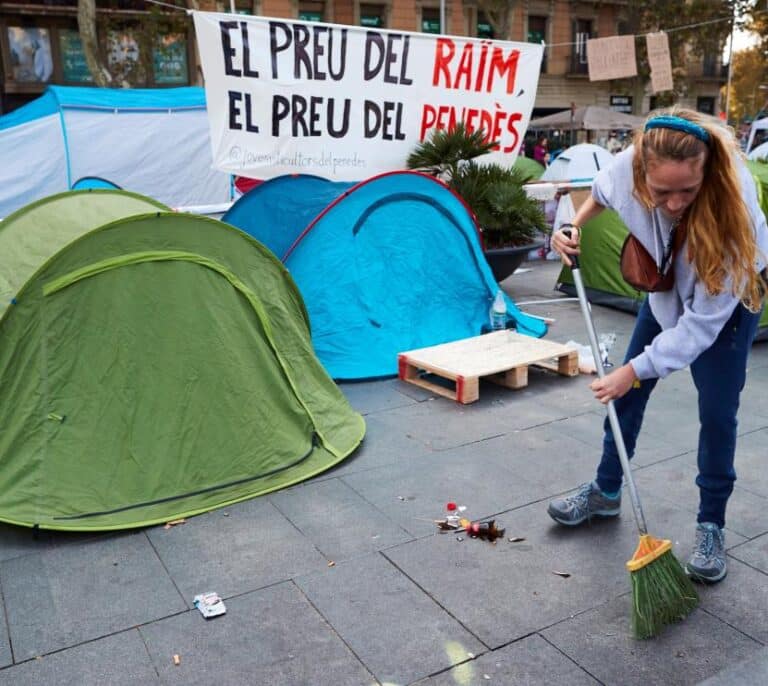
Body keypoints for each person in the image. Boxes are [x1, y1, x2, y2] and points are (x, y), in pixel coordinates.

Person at [547, 107, 768, 584]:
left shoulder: (736, 216)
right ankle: (606, 491)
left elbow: (698, 330)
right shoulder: (628, 167)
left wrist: (634, 369)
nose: (673, 204)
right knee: (628, 392)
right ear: (642, 171)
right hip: (666, 289)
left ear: (707, 173)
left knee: (716, 411)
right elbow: (600, 194)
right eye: (661, 192)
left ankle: (712, 523)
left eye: (686, 191)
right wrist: (573, 228)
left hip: (727, 304)